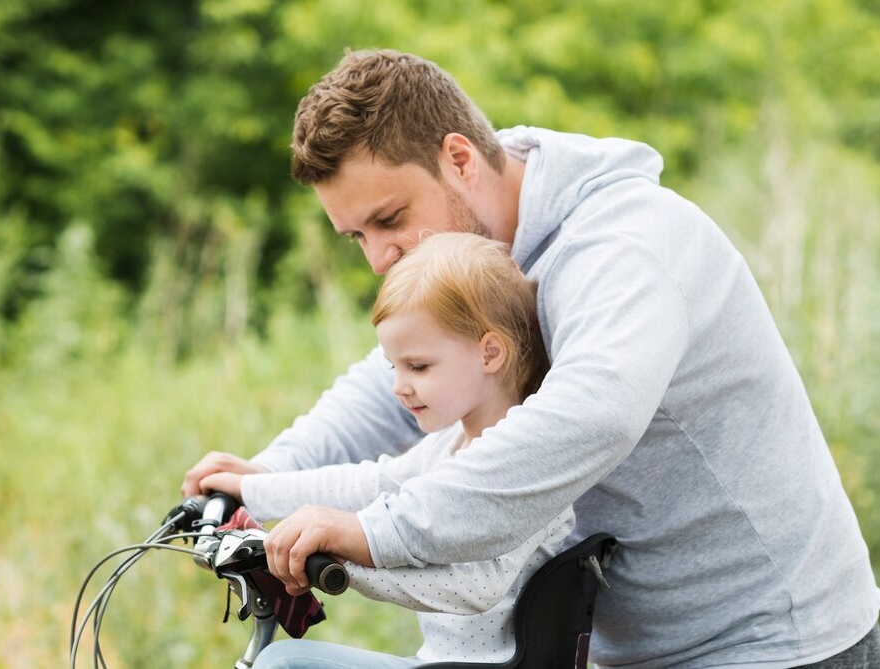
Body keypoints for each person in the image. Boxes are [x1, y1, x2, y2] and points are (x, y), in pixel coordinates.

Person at [182, 49, 880, 668]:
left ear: (459, 159)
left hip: (773, 642)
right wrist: (263, 479)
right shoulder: (474, 257)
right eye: (355, 236)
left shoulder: (623, 245)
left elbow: (587, 419)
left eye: (389, 220)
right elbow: (399, 380)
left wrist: (372, 533)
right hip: (633, 649)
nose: (378, 258)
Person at [203, 232, 574, 667]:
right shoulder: (450, 445)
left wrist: (339, 562)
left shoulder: (527, 466)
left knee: (283, 663)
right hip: (434, 661)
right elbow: (370, 483)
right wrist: (254, 489)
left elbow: (475, 586)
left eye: (418, 366)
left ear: (489, 353)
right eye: (393, 366)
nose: (399, 386)